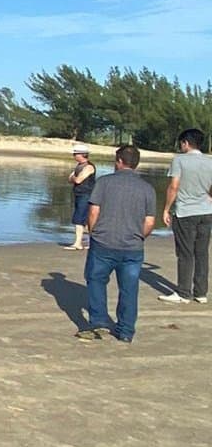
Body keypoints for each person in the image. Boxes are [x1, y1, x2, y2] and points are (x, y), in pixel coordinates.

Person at [75, 145, 156, 343]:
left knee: (96, 281)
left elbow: (93, 212)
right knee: (129, 288)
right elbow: (150, 222)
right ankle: (126, 330)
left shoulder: (104, 182)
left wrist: (94, 233)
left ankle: (99, 322)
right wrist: (139, 236)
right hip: (132, 246)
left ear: (119, 161)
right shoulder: (147, 189)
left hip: (104, 242)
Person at [158, 128, 212, 305]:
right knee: (202, 252)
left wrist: (166, 208)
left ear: (186, 143)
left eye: (181, 143)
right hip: (206, 211)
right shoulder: (209, 161)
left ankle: (183, 292)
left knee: (185, 253)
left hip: (186, 212)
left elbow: (174, 186)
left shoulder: (179, 160)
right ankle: (201, 292)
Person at [64, 144, 96, 250]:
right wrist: (74, 177)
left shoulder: (89, 166)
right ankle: (88, 242)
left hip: (86, 194)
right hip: (79, 194)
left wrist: (74, 177)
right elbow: (70, 178)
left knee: (79, 218)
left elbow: (77, 180)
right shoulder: (79, 166)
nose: (74, 155)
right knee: (85, 219)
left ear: (82, 154)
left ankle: (78, 243)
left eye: (75, 154)